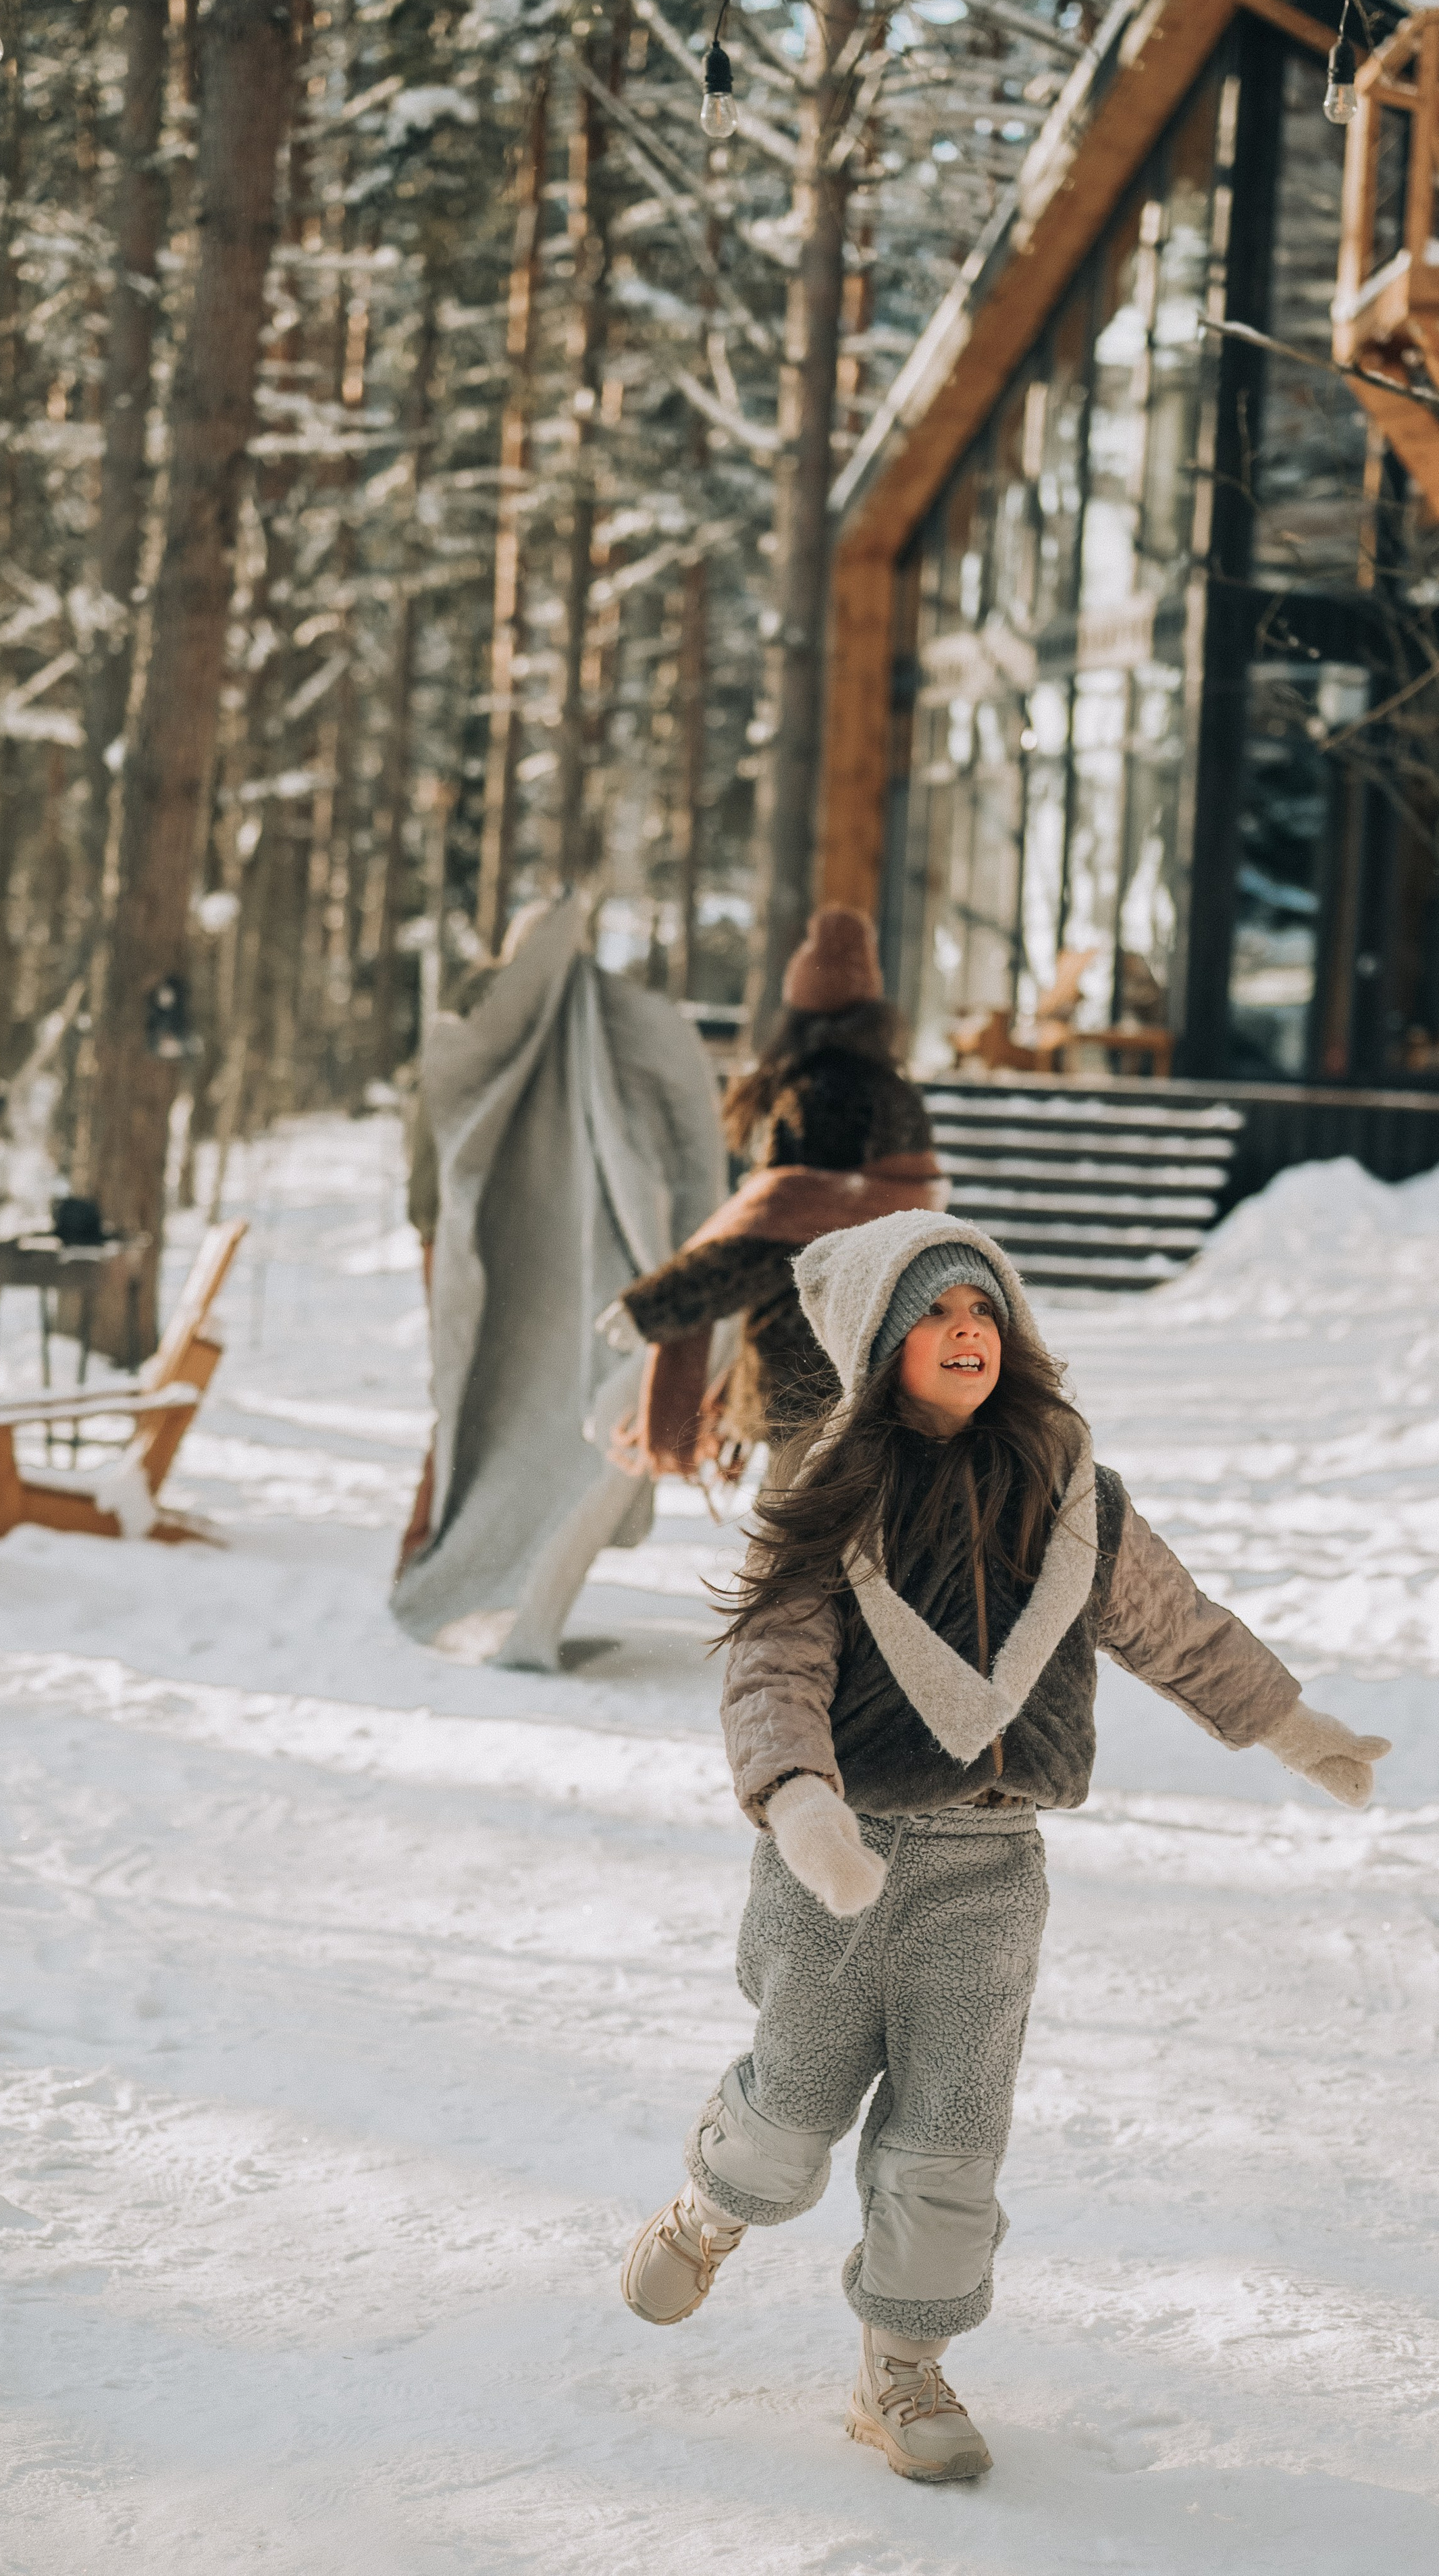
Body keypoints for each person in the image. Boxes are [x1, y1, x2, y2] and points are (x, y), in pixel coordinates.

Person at [620, 1210, 1391, 2483]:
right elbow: (773, 1662)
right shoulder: (829, 1489)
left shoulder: (1069, 1489)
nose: (967, 1332)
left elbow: (1178, 1630)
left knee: (953, 2132)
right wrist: (799, 1801)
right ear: (881, 1340)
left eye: (983, 1311)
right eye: (936, 1314)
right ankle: (712, 2208)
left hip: (992, 1867)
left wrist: (1293, 1729)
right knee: (797, 2103)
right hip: (841, 1865)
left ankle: (899, 2371)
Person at [392, 892, 725, 1670]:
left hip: (455, 1227)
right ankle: (434, 1556)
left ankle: (440, 1552)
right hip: (453, 1227)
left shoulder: (570, 1024)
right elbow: (439, 1124)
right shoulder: (486, 1013)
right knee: (463, 1397)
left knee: (467, 1396)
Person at [610, 905, 942, 1483]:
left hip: (811, 1371)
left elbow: (783, 1236)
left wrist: (658, 1306)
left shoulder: (819, 1096)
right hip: (883, 1354)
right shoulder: (898, 1096)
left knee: (802, 1556)